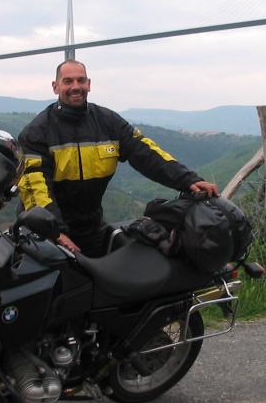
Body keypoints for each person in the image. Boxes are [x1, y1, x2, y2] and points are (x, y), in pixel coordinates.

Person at [17, 59, 219, 257]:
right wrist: (55, 232)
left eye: (81, 80)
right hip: (45, 234)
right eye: (68, 81)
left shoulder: (108, 122)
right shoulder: (37, 132)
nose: (76, 87)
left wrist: (188, 179)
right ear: (55, 86)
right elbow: (35, 187)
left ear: (89, 84)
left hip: (92, 230)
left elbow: (146, 153)